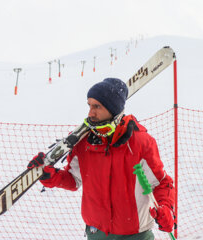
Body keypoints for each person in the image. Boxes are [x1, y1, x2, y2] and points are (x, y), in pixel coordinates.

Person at [27, 78, 176, 240]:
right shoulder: (83, 142)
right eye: (89, 105)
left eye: (97, 106)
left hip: (135, 234)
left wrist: (166, 209)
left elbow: (161, 183)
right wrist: (51, 176)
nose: (90, 113)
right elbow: (74, 180)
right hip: (96, 233)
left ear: (113, 109)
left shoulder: (141, 142)